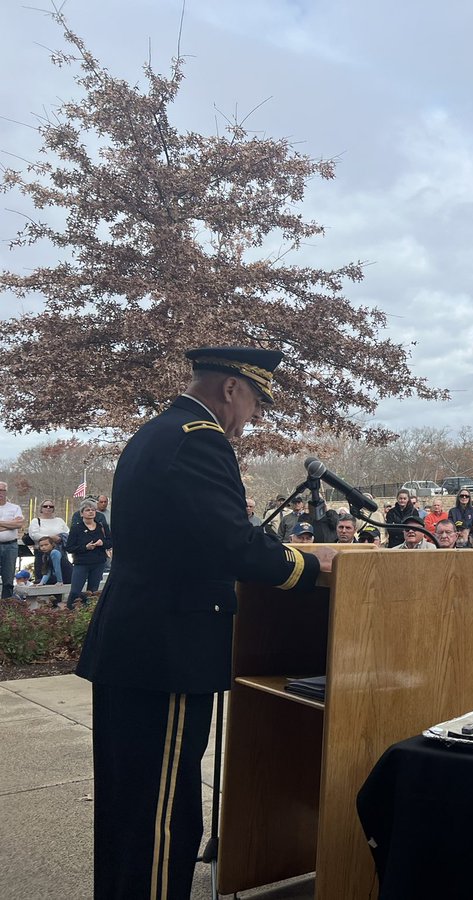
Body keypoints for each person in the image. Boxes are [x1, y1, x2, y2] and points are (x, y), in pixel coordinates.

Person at [75, 346, 333, 900]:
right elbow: (230, 543)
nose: (255, 416)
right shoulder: (200, 440)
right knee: (162, 814)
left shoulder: (158, 432)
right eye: (257, 401)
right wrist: (311, 567)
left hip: (140, 642)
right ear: (231, 388)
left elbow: (196, 535)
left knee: (131, 804)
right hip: (167, 649)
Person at [64, 499, 111, 608]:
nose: (91, 512)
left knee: (92, 592)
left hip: (98, 562)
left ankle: (88, 612)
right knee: (75, 591)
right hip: (81, 563)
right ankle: (70, 611)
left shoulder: (102, 527)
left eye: (93, 510)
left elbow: (110, 543)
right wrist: (85, 547)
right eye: (87, 510)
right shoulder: (76, 528)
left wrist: (102, 543)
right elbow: (69, 547)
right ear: (81, 513)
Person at [0, 481, 25, 598]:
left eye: (2, 490)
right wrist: (10, 524)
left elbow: (19, 524)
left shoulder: (15, 508)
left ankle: (6, 605)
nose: (0, 493)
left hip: (10, 546)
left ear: (6, 492)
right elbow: (15, 524)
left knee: (8, 579)